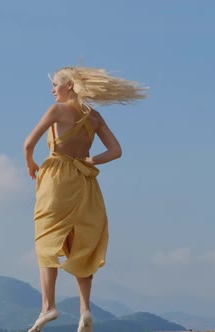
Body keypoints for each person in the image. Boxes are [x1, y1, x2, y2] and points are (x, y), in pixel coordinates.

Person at [23, 65, 147, 332]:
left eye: (56, 84)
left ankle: (48, 306)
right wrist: (91, 159)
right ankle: (85, 309)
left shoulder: (57, 110)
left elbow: (28, 143)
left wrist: (31, 163)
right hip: (85, 179)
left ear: (69, 86)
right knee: (80, 241)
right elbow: (115, 151)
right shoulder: (95, 117)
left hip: (57, 177)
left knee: (47, 238)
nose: (52, 89)